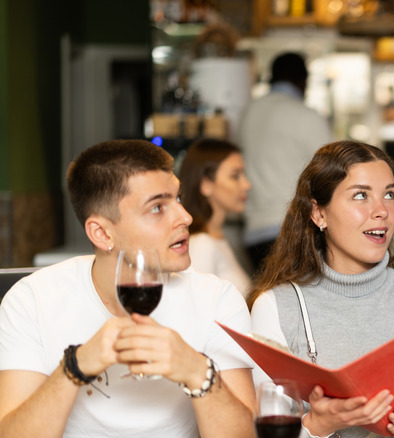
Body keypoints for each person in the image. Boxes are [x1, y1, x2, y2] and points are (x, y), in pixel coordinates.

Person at [0, 140, 256, 438]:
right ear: (102, 233)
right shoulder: (31, 300)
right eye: (158, 207)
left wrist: (197, 372)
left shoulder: (218, 300)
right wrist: (75, 367)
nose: (185, 217)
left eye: (179, 199)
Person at [247, 141, 394, 438]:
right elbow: (267, 432)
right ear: (318, 213)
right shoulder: (276, 306)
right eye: (361, 195)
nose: (381, 211)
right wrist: (318, 425)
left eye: (389, 194)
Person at [239, 51, 331, 272]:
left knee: (267, 302)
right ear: (304, 81)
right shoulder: (307, 116)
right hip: (294, 233)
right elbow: (333, 173)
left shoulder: (248, 113)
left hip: (253, 232)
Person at [179, 138, 252, 297]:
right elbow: (197, 310)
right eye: (235, 176)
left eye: (243, 174)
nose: (246, 185)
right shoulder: (202, 244)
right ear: (205, 184)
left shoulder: (217, 239)